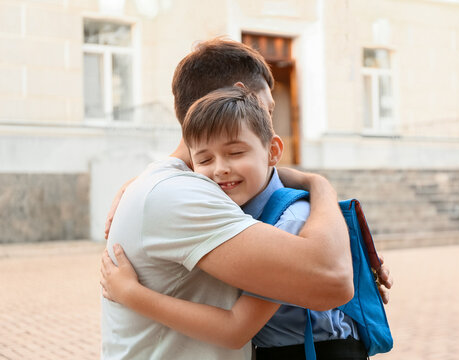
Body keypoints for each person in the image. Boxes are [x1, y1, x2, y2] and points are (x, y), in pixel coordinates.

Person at [101, 38, 392, 360]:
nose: (268, 120)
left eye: (236, 152)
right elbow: (331, 281)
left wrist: (315, 187)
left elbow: (328, 279)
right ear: (244, 95)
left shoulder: (174, 186)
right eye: (268, 109)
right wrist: (319, 185)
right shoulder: (178, 193)